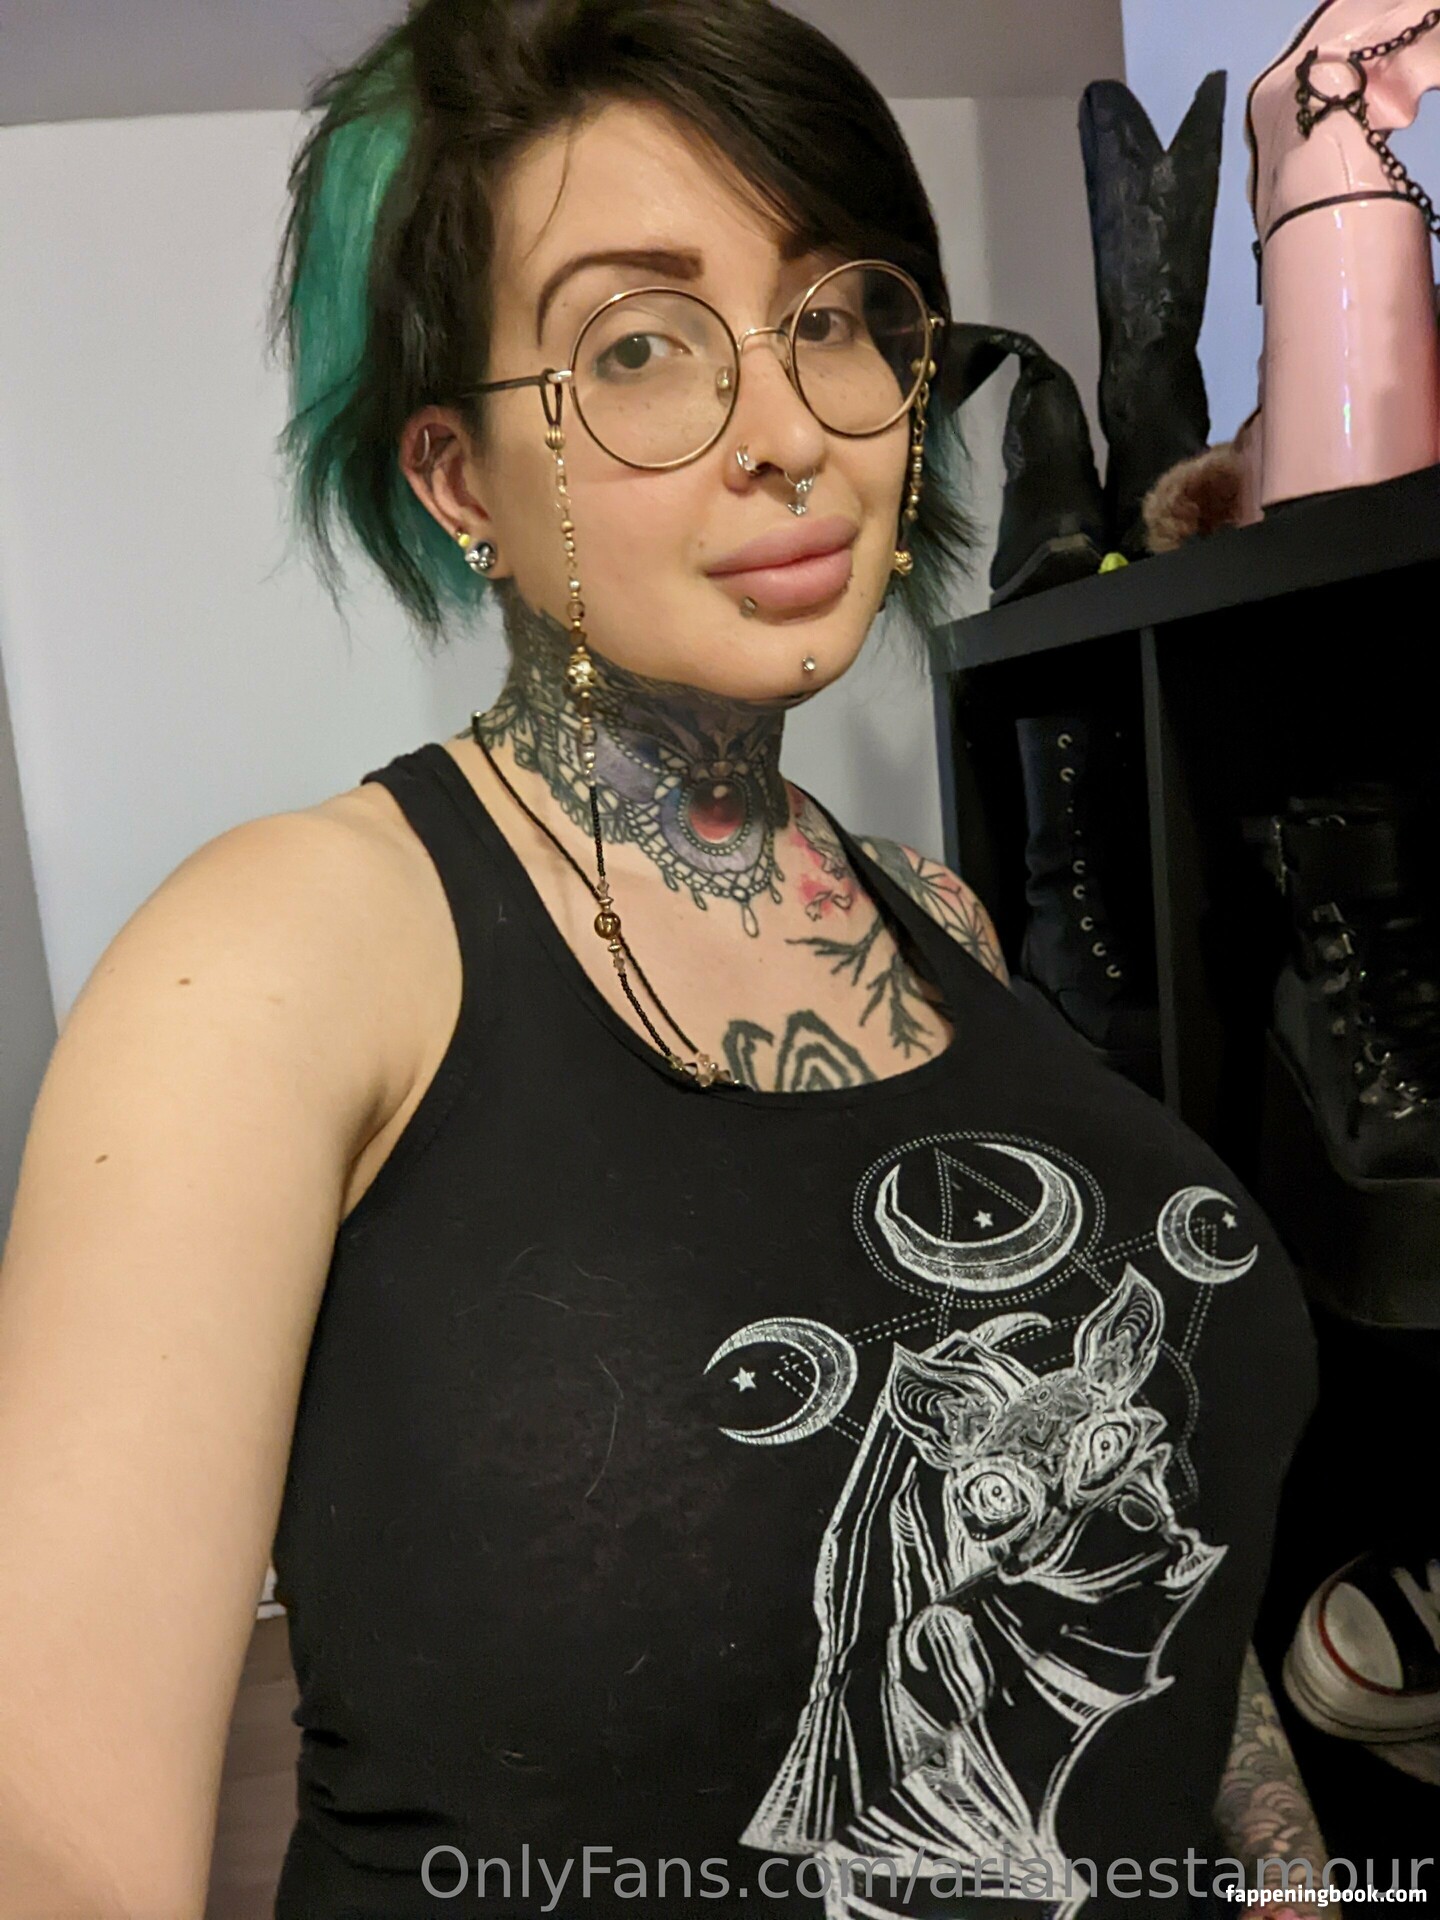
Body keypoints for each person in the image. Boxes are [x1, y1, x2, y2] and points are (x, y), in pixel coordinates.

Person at [0, 3, 1327, 1915]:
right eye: (637, 345)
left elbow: (1174, 1535)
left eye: (835, 316)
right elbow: (52, 1834)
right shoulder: (280, 960)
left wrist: (1284, 1870)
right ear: (459, 480)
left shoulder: (937, 924)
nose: (789, 432)